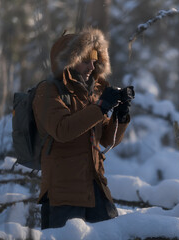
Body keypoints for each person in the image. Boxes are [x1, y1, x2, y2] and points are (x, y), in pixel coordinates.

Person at [32, 28, 133, 229]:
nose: (92, 65)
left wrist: (120, 117)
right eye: (86, 60)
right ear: (69, 60)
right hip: (63, 194)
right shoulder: (48, 91)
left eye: (95, 59)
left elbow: (105, 140)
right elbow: (62, 130)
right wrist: (101, 107)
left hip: (95, 188)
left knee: (112, 234)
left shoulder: (92, 93)